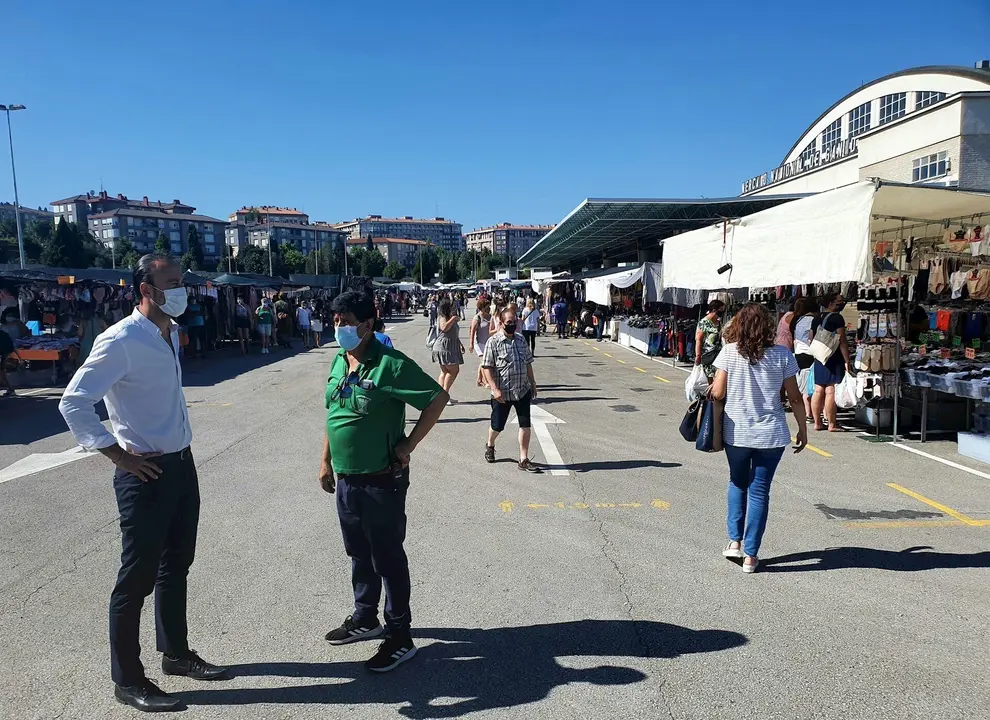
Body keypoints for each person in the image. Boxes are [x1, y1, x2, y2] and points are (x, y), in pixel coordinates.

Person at [58, 254, 227, 712]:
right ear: (146, 290)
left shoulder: (168, 333)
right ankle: (127, 679)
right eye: (171, 282)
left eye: (181, 281)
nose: (182, 289)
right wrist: (115, 453)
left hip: (181, 465)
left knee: (177, 565)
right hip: (145, 474)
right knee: (136, 579)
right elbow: (74, 402)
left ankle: (175, 654)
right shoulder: (122, 339)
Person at [320, 290, 447, 672]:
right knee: (358, 552)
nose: (337, 327)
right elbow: (334, 410)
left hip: (381, 480)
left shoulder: (389, 364)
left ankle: (399, 635)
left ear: (368, 324)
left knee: (388, 558)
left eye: (344, 322)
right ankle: (365, 618)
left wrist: (408, 444)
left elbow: (436, 398)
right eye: (335, 321)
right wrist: (326, 460)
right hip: (346, 479)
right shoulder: (340, 360)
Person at [710, 303, 807, 575]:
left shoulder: (729, 353)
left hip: (737, 432)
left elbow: (717, 393)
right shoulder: (783, 355)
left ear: (738, 325)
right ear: (767, 327)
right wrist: (803, 428)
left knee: (737, 482)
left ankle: (734, 541)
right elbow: (795, 397)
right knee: (760, 491)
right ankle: (751, 557)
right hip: (772, 434)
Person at [482, 306, 541, 472]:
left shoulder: (521, 340)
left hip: (522, 390)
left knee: (525, 425)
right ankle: (490, 445)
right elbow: (487, 367)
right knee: (497, 426)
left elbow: (528, 363)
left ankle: (523, 458)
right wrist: (494, 388)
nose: (512, 324)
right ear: (501, 323)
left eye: (514, 322)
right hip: (502, 393)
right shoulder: (493, 342)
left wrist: (533, 383)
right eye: (509, 322)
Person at [811, 292, 852, 432]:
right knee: (830, 391)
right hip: (833, 357)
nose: (841, 303)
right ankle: (832, 423)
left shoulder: (816, 318)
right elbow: (842, 341)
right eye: (839, 301)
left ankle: (817, 422)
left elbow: (811, 338)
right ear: (831, 303)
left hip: (819, 356)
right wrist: (847, 360)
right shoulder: (837, 318)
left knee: (818, 389)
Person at [787, 297, 818, 424]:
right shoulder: (813, 320)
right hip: (810, 353)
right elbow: (813, 338)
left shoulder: (797, 320)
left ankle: (807, 412)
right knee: (810, 385)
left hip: (798, 353)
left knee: (803, 383)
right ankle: (809, 413)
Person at [432, 299, 464, 404]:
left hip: (450, 345)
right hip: (444, 347)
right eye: (452, 306)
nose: (454, 308)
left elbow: (453, 333)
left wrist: (460, 343)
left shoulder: (449, 317)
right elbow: (444, 328)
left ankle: (442, 396)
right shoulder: (442, 317)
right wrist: (453, 318)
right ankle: (444, 396)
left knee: (445, 371)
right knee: (453, 370)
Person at [694, 300, 726, 382]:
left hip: (719, 355)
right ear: (715, 310)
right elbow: (698, 339)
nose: (723, 312)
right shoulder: (703, 322)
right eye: (721, 310)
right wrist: (698, 355)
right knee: (710, 379)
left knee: (719, 378)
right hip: (708, 356)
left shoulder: (719, 322)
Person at [469, 297, 493, 387]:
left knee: (483, 362)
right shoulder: (477, 318)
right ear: (482, 307)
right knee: (484, 362)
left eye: (489, 306)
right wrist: (471, 344)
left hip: (487, 343)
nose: (489, 308)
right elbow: (472, 331)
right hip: (478, 343)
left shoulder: (490, 316)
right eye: (487, 306)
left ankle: (479, 380)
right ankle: (486, 382)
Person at [184, 294, 206, 359]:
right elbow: (189, 315)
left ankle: (203, 352)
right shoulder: (188, 307)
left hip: (200, 324)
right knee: (192, 340)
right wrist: (196, 313)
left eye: (194, 299)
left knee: (202, 339)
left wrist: (194, 313)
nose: (193, 300)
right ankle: (193, 353)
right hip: (192, 325)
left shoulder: (199, 306)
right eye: (192, 299)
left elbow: (202, 313)